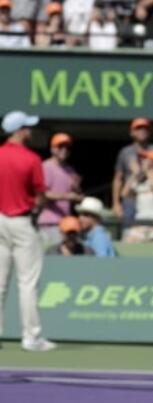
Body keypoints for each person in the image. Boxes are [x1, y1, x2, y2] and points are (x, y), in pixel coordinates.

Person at [0, 111, 56, 350]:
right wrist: (36, 206)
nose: (30, 131)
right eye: (27, 127)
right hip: (22, 223)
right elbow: (40, 197)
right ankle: (31, 337)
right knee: (28, 282)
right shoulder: (31, 159)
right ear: (19, 131)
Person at [112, 117, 153, 225]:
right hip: (130, 196)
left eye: (145, 128)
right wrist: (116, 203)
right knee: (129, 233)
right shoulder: (125, 152)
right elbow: (118, 179)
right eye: (138, 128)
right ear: (132, 132)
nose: (142, 131)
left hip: (150, 197)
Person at [36, 132, 82, 241]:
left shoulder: (70, 170)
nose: (64, 150)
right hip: (48, 222)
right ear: (52, 149)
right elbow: (43, 194)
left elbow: (76, 195)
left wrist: (77, 188)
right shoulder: (46, 167)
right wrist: (68, 196)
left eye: (67, 147)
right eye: (60, 146)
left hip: (66, 223)